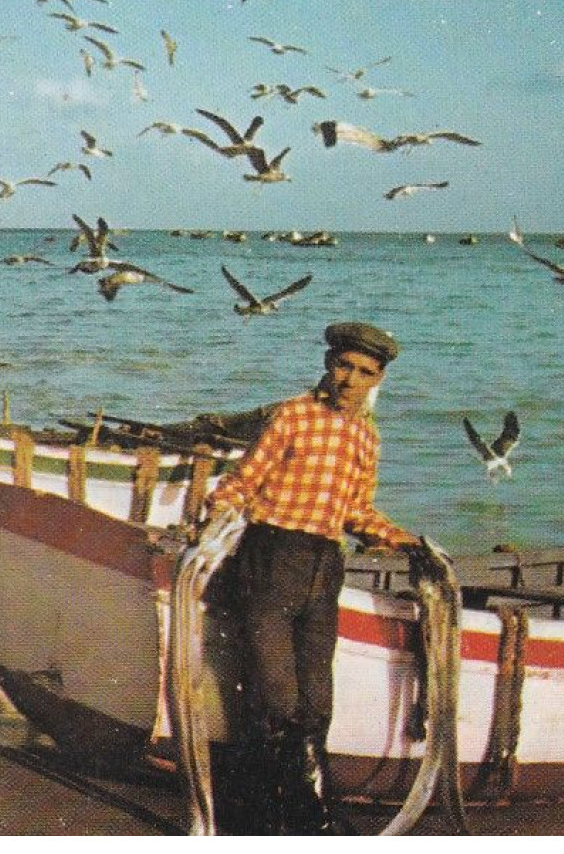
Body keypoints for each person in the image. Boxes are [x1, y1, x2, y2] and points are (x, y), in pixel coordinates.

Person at [203, 321, 420, 835]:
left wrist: (401, 538)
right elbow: (241, 482)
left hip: (325, 566)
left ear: (377, 380)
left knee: (316, 702)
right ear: (329, 364)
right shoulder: (294, 416)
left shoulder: (367, 435)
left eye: (364, 372)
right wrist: (211, 518)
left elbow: (359, 513)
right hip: (271, 557)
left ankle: (308, 817)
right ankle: (257, 820)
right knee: (275, 697)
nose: (350, 379)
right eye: (344, 366)